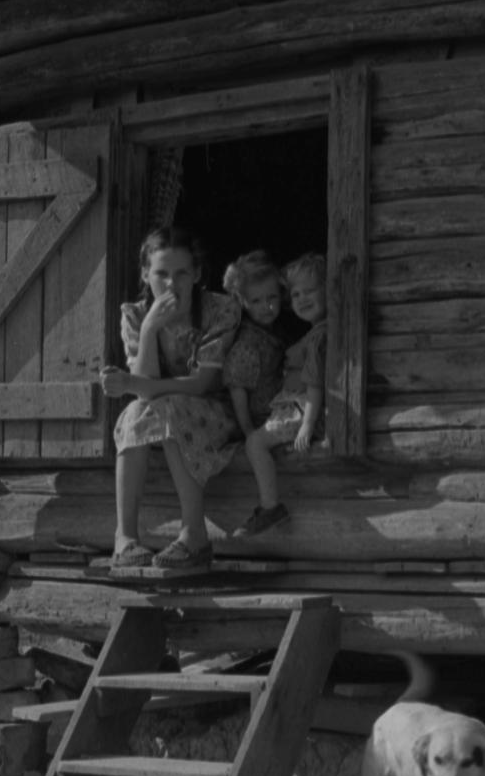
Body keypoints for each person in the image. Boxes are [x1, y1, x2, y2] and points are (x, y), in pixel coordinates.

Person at [98, 227, 241, 573]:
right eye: (161, 273)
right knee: (133, 413)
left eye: (181, 273)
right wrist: (149, 329)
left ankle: (194, 535)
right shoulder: (135, 315)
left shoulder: (221, 310)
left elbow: (203, 383)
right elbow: (144, 390)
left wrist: (135, 383)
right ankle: (126, 538)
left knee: (167, 406)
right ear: (146, 274)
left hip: (215, 413)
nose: (171, 283)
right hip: (160, 411)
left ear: (196, 275)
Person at [232, 251, 328, 536]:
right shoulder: (309, 334)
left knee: (255, 445)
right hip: (294, 408)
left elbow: (315, 384)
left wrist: (308, 425)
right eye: (296, 294)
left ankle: (270, 507)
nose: (302, 299)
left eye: (310, 291)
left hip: (302, 410)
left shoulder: (319, 337)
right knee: (256, 440)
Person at [221, 251, 291, 536]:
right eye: (257, 301)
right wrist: (249, 429)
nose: (267, 307)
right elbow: (238, 389)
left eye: (272, 298)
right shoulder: (248, 343)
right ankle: (269, 507)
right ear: (242, 302)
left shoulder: (274, 332)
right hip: (260, 415)